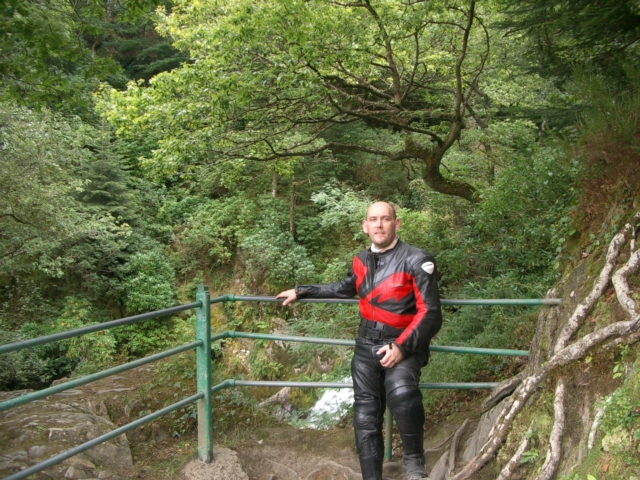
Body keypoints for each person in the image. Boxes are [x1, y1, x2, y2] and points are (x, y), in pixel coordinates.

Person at [277, 201, 442, 480]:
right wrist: (301, 291)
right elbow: (342, 289)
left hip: (404, 343)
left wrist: (401, 347)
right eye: (373, 220)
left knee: (402, 393)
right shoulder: (361, 260)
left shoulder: (417, 259)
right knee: (365, 414)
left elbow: (431, 313)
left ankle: (414, 463)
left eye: (385, 219)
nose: (379, 225)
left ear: (396, 224)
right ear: (365, 226)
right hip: (366, 346)